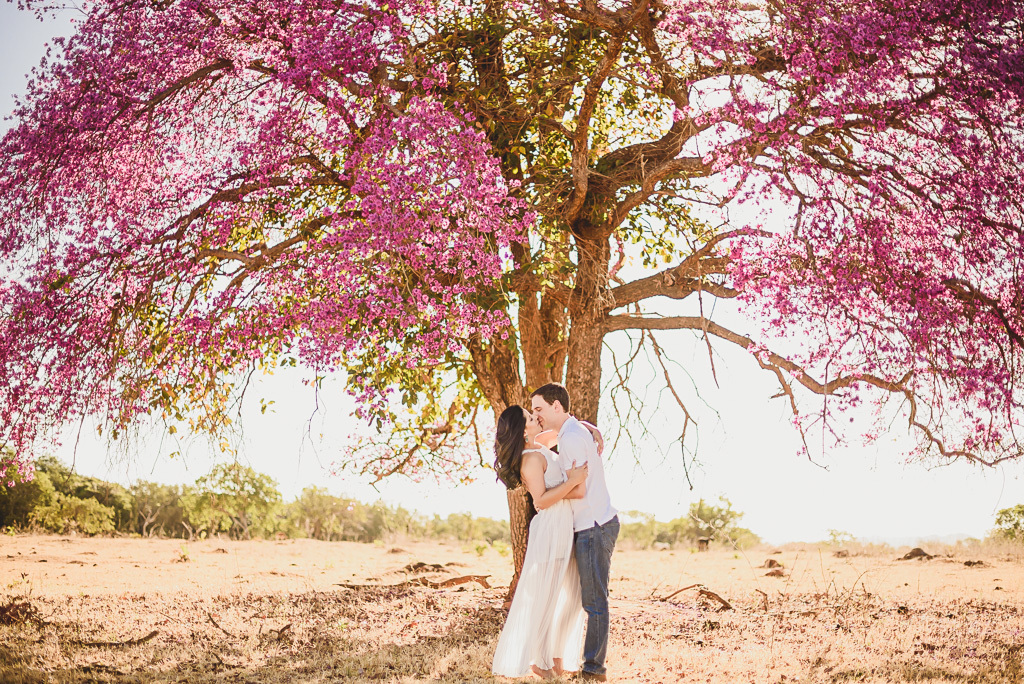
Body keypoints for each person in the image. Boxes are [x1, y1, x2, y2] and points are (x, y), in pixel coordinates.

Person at [491, 405, 589, 680]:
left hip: (564, 525)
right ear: (523, 430)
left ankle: (555, 656)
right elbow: (541, 501)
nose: (537, 418)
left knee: (568, 596)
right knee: (548, 598)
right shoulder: (530, 459)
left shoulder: (539, 446)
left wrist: (592, 430)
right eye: (531, 418)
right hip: (552, 528)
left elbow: (562, 430)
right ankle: (539, 661)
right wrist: (574, 481)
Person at [531, 383, 618, 682]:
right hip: (591, 524)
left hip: (593, 525)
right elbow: (536, 438)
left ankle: (593, 670)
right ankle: (585, 664)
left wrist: (543, 496)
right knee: (588, 600)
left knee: (594, 602)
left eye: (539, 409)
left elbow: (578, 490)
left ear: (556, 406)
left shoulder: (570, 438)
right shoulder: (571, 432)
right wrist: (589, 425)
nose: (536, 415)